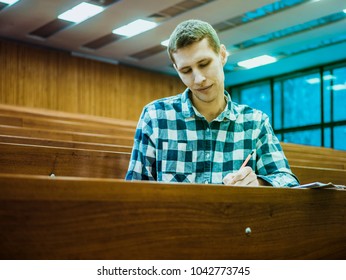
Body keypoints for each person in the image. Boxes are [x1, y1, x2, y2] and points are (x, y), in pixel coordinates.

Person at [125, 19, 299, 187]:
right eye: (186, 70)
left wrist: (259, 183)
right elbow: (134, 190)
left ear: (222, 55)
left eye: (204, 63)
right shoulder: (155, 116)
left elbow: (287, 180)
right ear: (177, 70)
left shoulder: (255, 122)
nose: (198, 79)